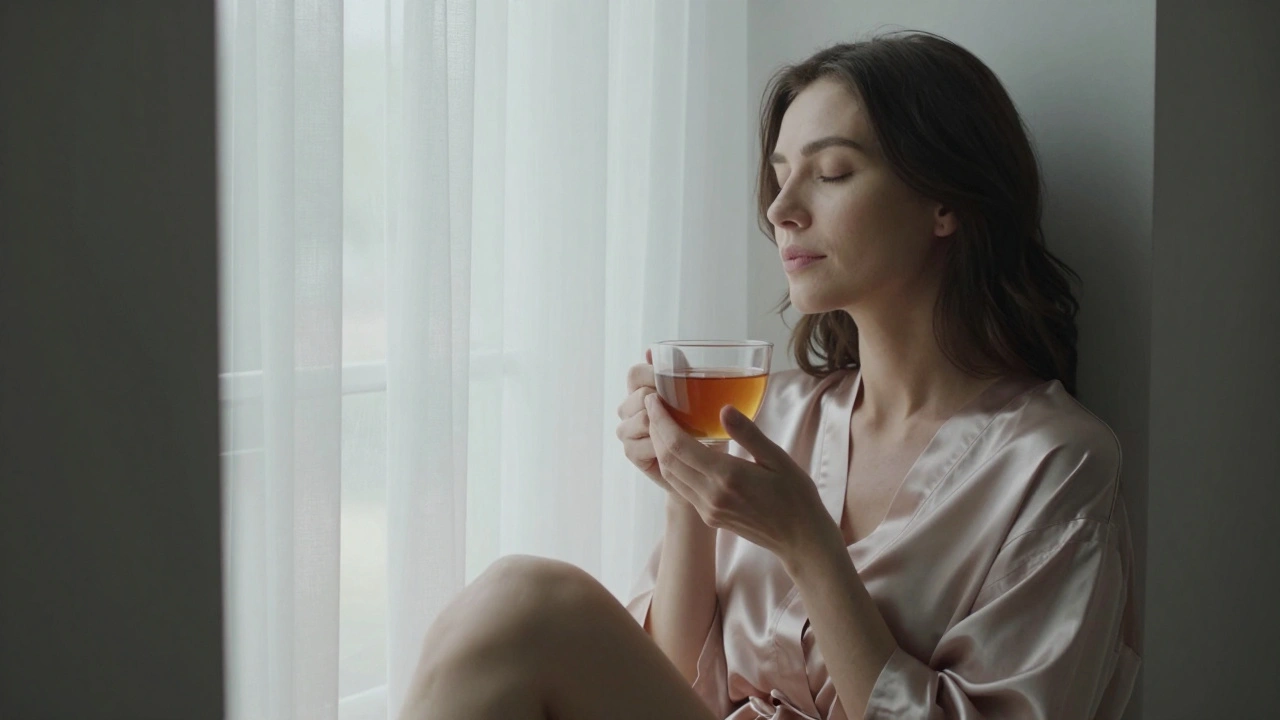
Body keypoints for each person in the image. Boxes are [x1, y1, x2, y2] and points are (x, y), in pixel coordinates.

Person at [400, 31, 1141, 720]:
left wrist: (808, 542)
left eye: (831, 173)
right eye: (781, 178)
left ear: (946, 202)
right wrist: (687, 492)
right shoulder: (775, 413)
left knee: (528, 603)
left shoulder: (1057, 463)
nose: (781, 210)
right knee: (518, 602)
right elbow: (665, 681)